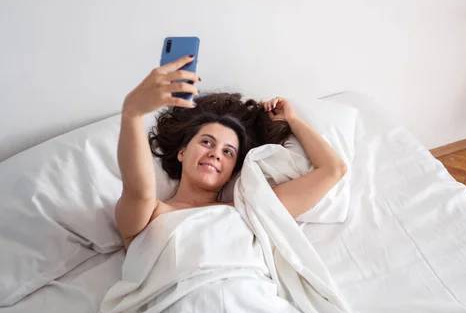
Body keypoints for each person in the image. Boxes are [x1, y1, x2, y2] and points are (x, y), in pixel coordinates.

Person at [115, 54, 348, 250]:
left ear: (232, 171)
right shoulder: (150, 214)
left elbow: (333, 169)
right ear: (182, 153)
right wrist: (132, 114)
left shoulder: (250, 210)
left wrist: (292, 119)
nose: (216, 154)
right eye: (207, 142)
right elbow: (139, 192)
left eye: (228, 152)